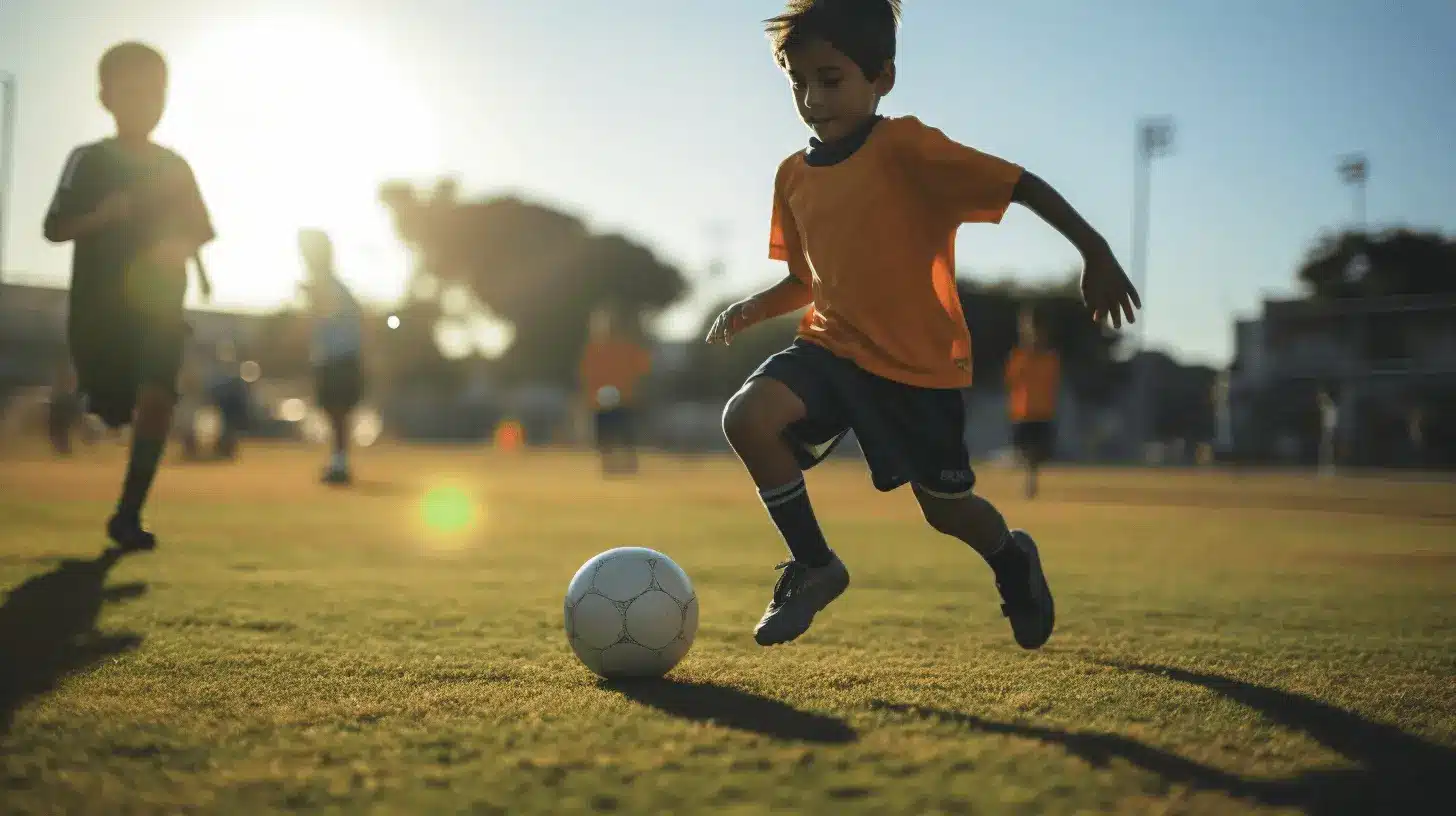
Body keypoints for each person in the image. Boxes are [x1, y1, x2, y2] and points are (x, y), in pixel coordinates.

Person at [707, 0, 1140, 649]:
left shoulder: (905, 148)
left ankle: (1011, 559)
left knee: (946, 511)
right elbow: (808, 281)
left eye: (830, 79)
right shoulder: (792, 175)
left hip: (917, 369)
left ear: (882, 77)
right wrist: (754, 308)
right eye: (798, 82)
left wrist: (1095, 250)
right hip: (831, 347)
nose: (811, 97)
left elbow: (1019, 183)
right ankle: (817, 565)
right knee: (747, 417)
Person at [43, 41, 215, 552]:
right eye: (133, 91)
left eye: (155, 92)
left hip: (161, 309)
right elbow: (54, 227)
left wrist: (179, 252)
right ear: (105, 98)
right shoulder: (89, 161)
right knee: (112, 406)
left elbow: (198, 231)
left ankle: (128, 513)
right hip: (100, 313)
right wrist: (102, 217)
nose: (146, 102)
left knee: (158, 394)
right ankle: (103, 407)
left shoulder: (175, 167)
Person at [300, 229, 364, 485]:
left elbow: (326, 310)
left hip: (339, 358)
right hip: (333, 358)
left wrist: (311, 295)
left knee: (338, 413)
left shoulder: (329, 285)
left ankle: (340, 464)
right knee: (333, 413)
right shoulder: (329, 283)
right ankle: (338, 461)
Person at [578, 309, 653, 476]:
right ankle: (609, 467)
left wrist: (638, 390)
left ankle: (628, 466)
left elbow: (642, 369)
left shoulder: (628, 347)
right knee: (606, 436)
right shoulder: (595, 348)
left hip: (624, 399)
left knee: (625, 435)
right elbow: (587, 375)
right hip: (602, 401)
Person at [1005, 308, 1061, 498]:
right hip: (1022, 413)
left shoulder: (1050, 358)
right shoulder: (1019, 357)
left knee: (1037, 453)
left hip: (1043, 412)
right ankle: (1029, 478)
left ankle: (1031, 480)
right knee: (1024, 451)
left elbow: (1052, 384)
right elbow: (1011, 381)